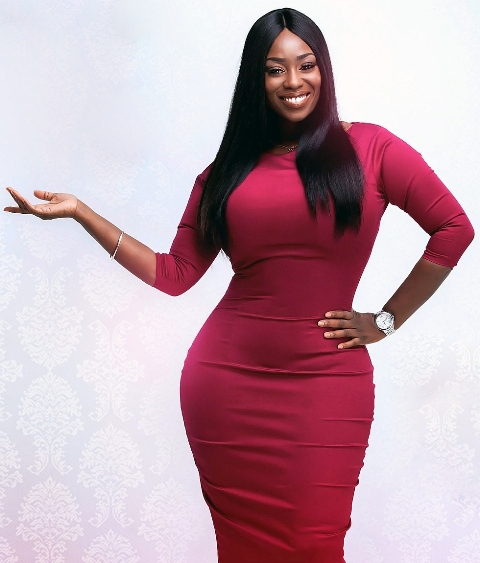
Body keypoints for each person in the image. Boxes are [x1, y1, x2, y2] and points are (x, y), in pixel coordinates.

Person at [4, 7, 474, 563]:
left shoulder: (372, 149)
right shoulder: (225, 172)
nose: (294, 81)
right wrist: (82, 212)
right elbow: (174, 275)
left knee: (315, 545)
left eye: (306, 65)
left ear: (323, 69)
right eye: (276, 69)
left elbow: (454, 228)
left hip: (327, 384)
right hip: (226, 386)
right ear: (257, 78)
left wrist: (386, 320)